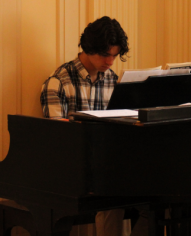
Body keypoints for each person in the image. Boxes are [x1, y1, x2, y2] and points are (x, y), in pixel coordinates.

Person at [41, 16, 148, 236]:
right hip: (76, 166)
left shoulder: (112, 79)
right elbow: (56, 139)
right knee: (111, 195)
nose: (110, 62)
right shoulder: (58, 82)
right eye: (105, 55)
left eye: (115, 56)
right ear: (88, 48)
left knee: (158, 193)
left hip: (109, 163)